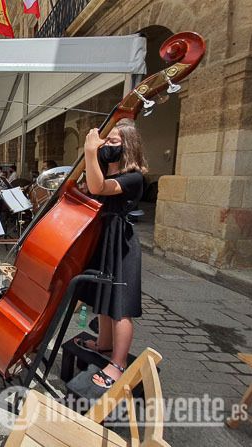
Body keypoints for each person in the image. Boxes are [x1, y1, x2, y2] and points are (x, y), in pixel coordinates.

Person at [75, 119, 148, 390]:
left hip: (121, 244)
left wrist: (90, 151)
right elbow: (89, 188)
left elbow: (98, 188)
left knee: (120, 307)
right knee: (103, 296)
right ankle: (104, 344)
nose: (106, 146)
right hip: (105, 239)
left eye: (113, 142)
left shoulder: (134, 177)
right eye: (106, 141)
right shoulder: (106, 172)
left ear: (128, 146)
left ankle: (118, 364)